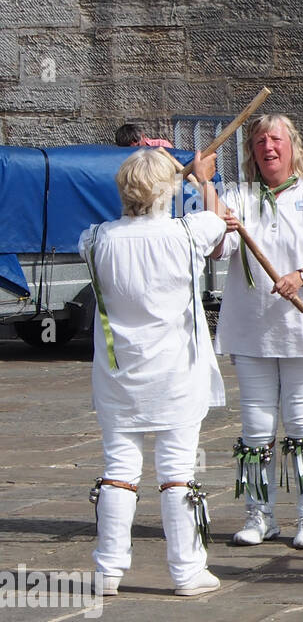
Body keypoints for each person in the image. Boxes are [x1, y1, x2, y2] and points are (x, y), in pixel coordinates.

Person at [78, 147, 228, 597]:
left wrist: (180, 178)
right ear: (166, 191)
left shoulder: (96, 238)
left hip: (118, 375)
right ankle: (185, 571)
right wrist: (203, 180)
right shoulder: (186, 233)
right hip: (175, 375)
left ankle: (108, 570)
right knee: (177, 471)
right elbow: (218, 219)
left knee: (119, 469)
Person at [214, 114, 303, 550]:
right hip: (251, 331)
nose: (267, 147)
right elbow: (217, 247)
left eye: (275, 139)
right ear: (252, 152)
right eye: (258, 141)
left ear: (292, 146)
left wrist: (301, 275)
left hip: (301, 331)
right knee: (255, 429)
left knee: (301, 425)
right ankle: (260, 515)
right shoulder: (236, 196)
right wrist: (206, 186)